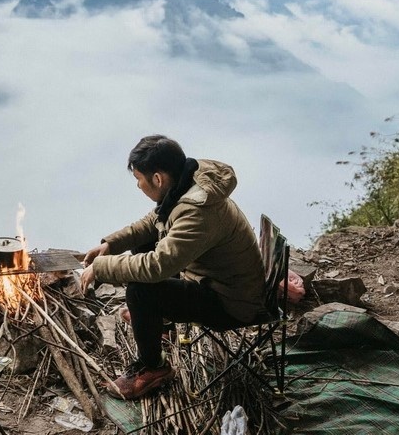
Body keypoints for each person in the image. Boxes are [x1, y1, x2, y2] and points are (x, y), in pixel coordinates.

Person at [80, 135, 265, 400]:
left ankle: (153, 367)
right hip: (215, 279)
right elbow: (154, 221)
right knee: (143, 244)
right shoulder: (187, 181)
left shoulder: (198, 211)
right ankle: (160, 325)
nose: (138, 186)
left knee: (140, 291)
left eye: (139, 179)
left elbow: (157, 267)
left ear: (158, 179)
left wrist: (101, 267)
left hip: (231, 302)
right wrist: (111, 244)